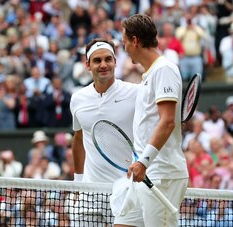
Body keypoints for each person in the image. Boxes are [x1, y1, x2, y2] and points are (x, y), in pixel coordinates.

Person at [118, 14, 189, 227]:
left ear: (135, 41)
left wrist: (143, 161)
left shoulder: (164, 69)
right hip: (145, 175)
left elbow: (167, 122)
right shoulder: (149, 74)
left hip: (161, 175)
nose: (125, 48)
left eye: (125, 42)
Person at [69, 37, 138, 225]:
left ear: (115, 62)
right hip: (90, 193)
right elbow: (79, 137)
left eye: (108, 59)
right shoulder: (78, 99)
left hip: (126, 191)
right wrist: (78, 181)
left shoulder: (136, 93)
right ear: (88, 65)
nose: (103, 65)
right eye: (97, 61)